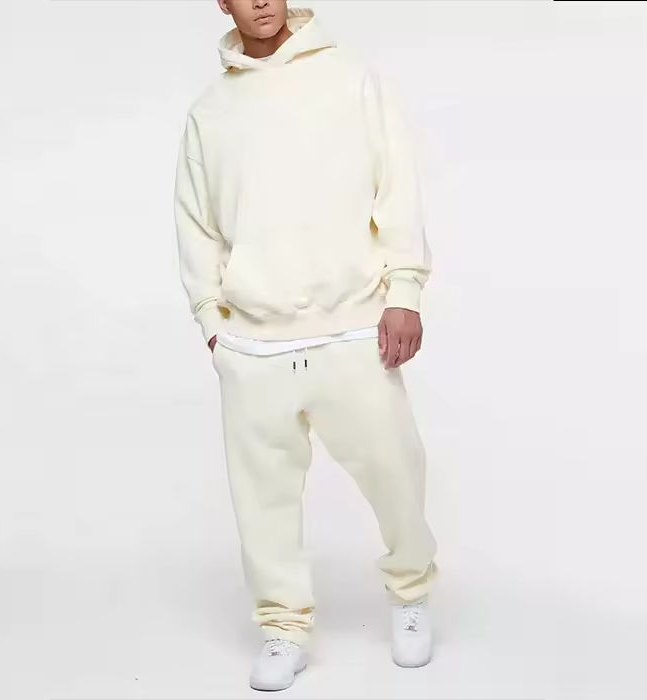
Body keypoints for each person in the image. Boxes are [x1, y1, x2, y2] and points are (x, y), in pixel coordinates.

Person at [174, 1, 439, 691]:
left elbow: (397, 185)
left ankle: (411, 592)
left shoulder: (351, 78)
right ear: (222, 3)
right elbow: (196, 223)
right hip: (252, 344)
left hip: (352, 327)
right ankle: (282, 626)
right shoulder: (210, 111)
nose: (262, 1)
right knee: (261, 501)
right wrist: (211, 319)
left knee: (396, 474)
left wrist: (404, 291)